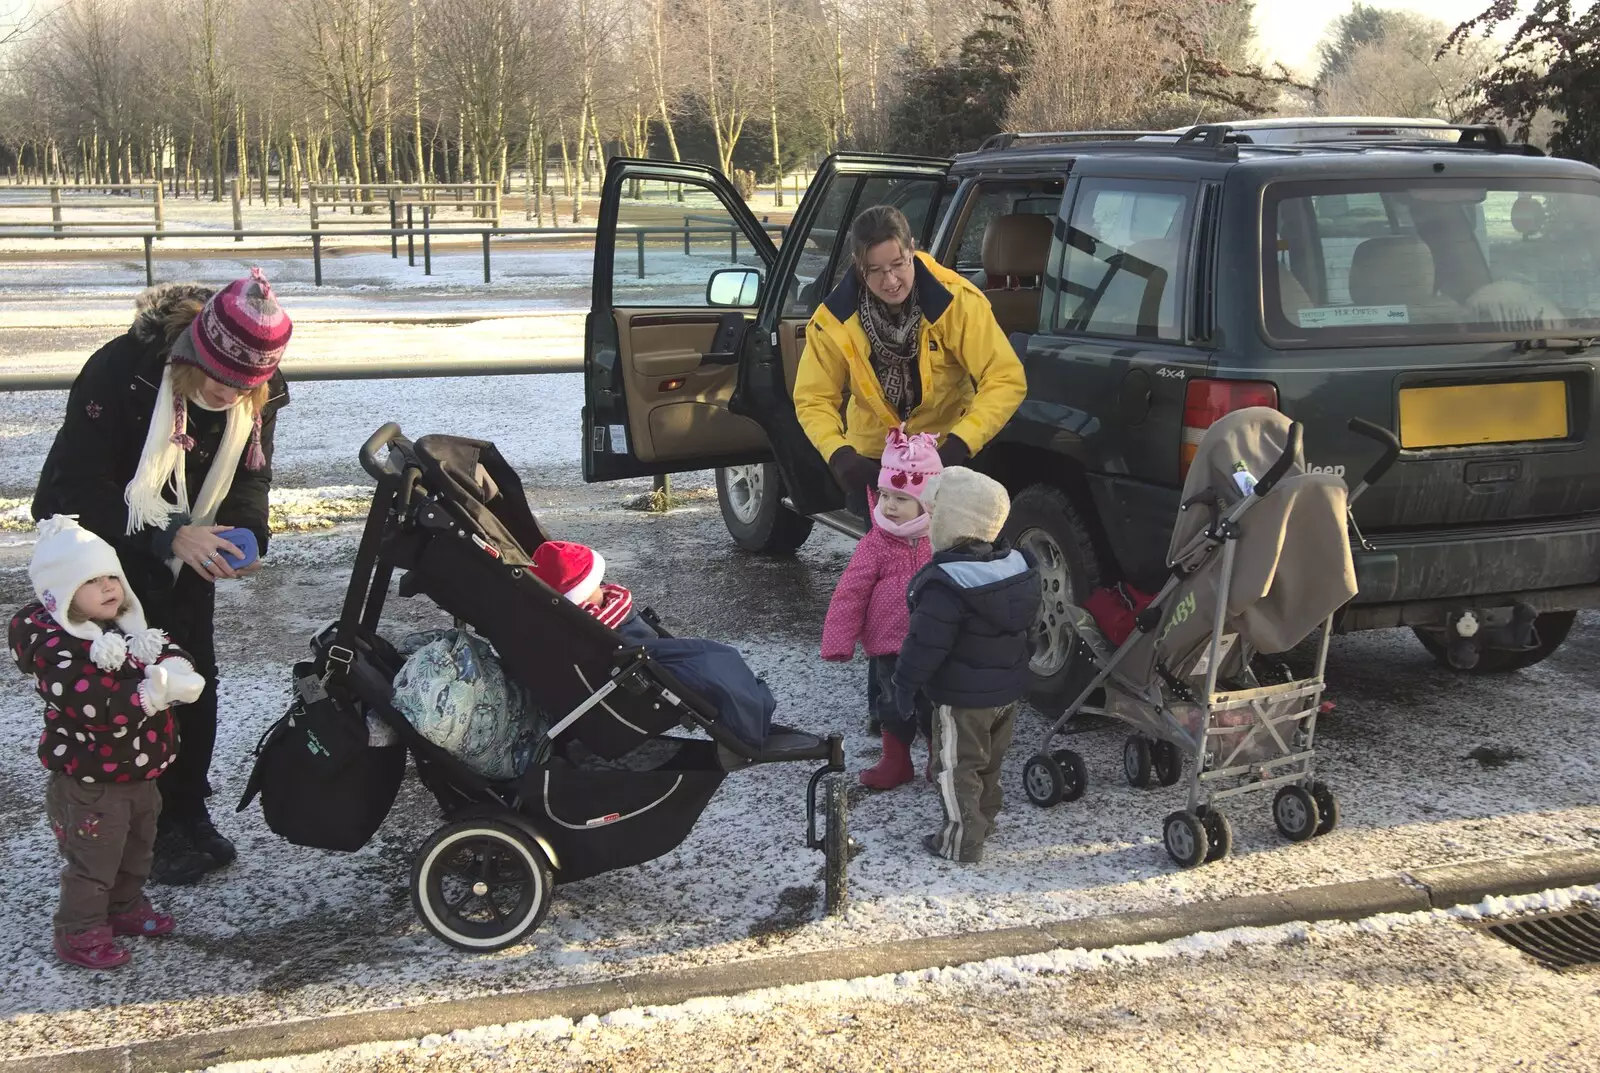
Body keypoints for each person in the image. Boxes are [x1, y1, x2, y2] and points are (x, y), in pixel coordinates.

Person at [31, 272, 292, 885]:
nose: (233, 396)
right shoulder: (121, 373)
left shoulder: (260, 387)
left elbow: (251, 474)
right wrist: (169, 532)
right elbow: (71, 491)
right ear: (194, 353)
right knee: (119, 690)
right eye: (222, 380)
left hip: (184, 553)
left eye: (247, 386)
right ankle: (121, 829)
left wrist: (248, 531)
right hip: (96, 559)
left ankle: (184, 811)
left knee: (189, 676)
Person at [9, 516, 207, 969]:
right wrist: (147, 693)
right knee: (94, 862)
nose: (108, 588)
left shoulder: (128, 629)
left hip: (141, 772)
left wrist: (176, 667)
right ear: (60, 594)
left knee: (138, 849)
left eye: (112, 577)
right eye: (92, 581)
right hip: (92, 783)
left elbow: (165, 648)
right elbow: (92, 703)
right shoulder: (57, 650)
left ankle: (124, 907)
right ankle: (79, 930)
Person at [792, 204, 1027, 517]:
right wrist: (841, 455)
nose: (890, 281)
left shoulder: (956, 302)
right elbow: (813, 398)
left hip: (948, 455)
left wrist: (959, 445)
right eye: (874, 271)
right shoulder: (834, 319)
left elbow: (1005, 378)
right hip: (876, 465)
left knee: (949, 561)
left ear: (912, 249)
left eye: (898, 265)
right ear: (858, 266)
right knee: (884, 562)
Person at [893, 468, 1041, 864]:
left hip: (963, 699)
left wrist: (903, 685)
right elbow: (1029, 630)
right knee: (989, 764)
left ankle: (961, 840)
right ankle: (983, 822)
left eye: (934, 511)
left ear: (950, 521)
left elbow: (925, 644)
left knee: (956, 767)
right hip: (1007, 693)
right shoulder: (1015, 568)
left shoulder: (946, 583)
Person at [529, 540, 775, 750]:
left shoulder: (574, 628)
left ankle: (749, 715)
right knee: (715, 661)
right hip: (634, 656)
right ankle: (748, 725)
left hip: (631, 650)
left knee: (716, 660)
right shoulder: (600, 625)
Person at [821, 428, 939, 790]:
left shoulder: (943, 540)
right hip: (889, 646)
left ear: (928, 502)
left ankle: (941, 759)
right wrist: (840, 640)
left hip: (936, 645)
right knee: (892, 706)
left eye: (901, 498)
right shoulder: (877, 542)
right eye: (885, 495)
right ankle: (896, 760)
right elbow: (851, 591)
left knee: (936, 706)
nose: (888, 505)